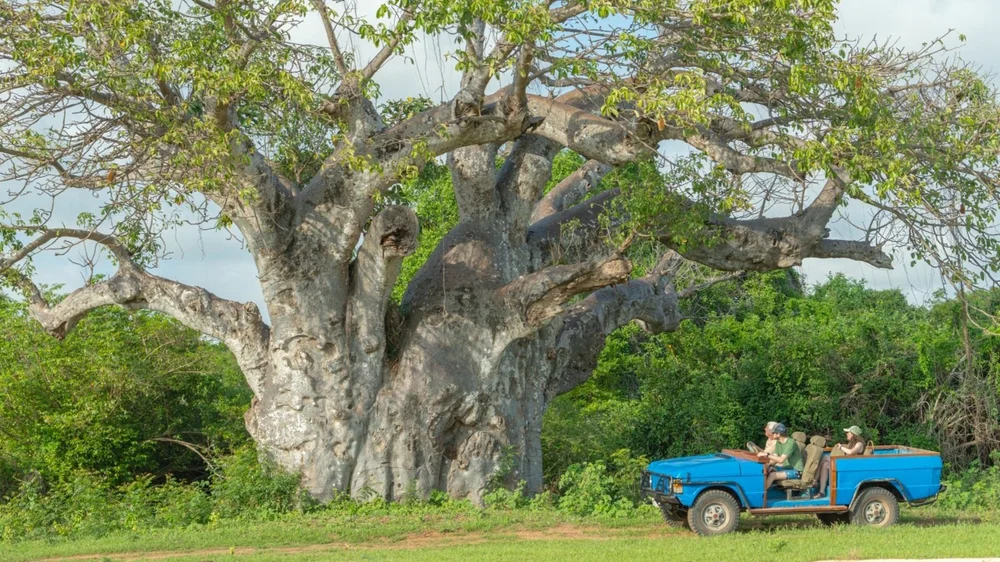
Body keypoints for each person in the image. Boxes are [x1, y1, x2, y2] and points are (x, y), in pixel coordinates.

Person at [812, 425, 865, 498]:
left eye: (848, 433)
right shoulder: (851, 444)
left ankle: (815, 479)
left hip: (851, 467)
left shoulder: (859, 444)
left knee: (825, 457)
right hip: (847, 464)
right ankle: (822, 492)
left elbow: (850, 452)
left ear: (853, 434)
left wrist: (841, 447)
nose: (847, 434)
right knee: (825, 465)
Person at [757, 423, 804, 489]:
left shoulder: (791, 443)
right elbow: (774, 460)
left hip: (796, 471)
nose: (771, 434)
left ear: (778, 434)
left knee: (772, 475)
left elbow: (781, 460)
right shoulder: (778, 443)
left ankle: (761, 493)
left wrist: (767, 455)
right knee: (767, 469)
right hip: (787, 468)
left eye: (773, 433)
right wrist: (768, 466)